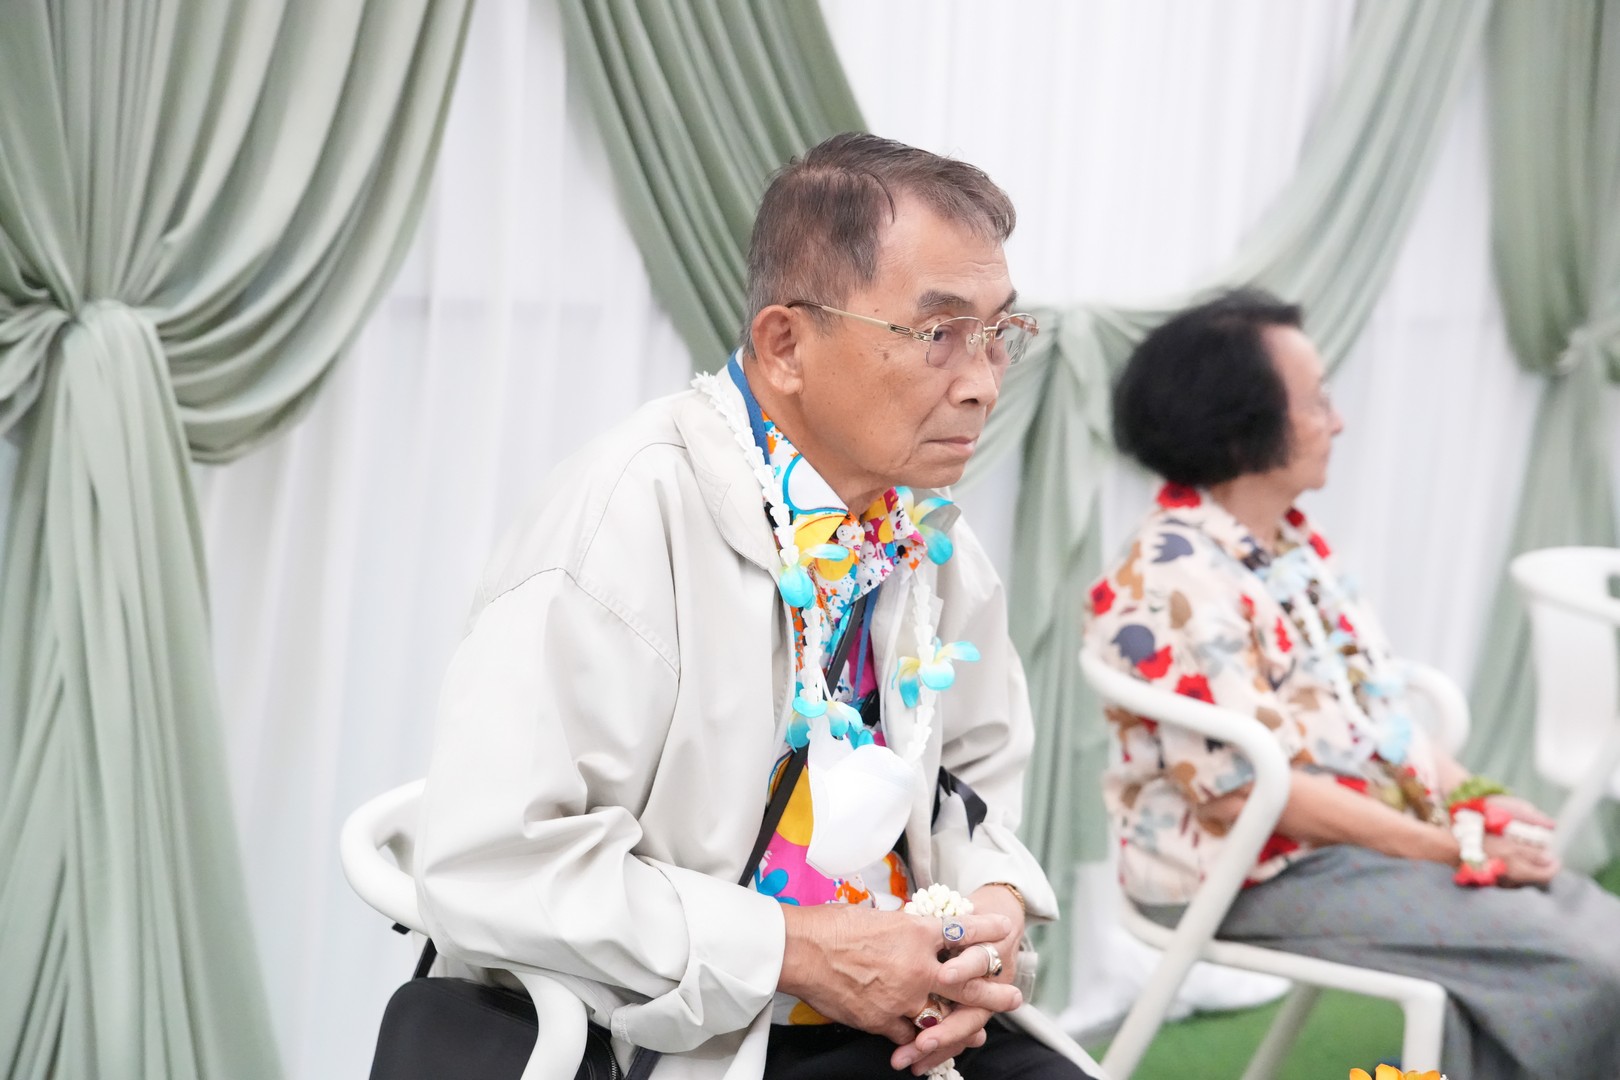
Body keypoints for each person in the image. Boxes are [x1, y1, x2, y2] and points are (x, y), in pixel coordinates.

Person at [417, 133, 1096, 1079]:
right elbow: (492, 866)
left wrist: (991, 905)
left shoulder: (924, 530)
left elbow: (979, 772)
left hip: (895, 1023)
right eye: (938, 334)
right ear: (785, 345)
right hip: (677, 1037)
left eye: (998, 333)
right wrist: (800, 951)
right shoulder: (626, 517)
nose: (983, 383)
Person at [1085, 288, 1620, 1077]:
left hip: (1341, 842)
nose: (1337, 422)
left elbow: (1378, 716)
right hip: (1244, 871)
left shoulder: (1288, 544)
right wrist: (1450, 845)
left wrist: (1475, 799)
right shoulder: (1173, 579)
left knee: (1599, 934)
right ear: (1240, 425)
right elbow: (1240, 795)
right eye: (1316, 402)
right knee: (1577, 970)